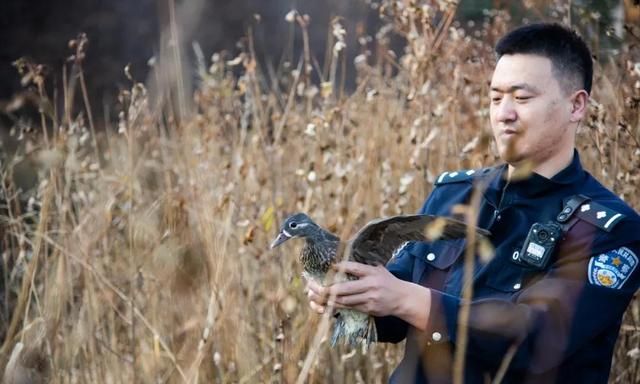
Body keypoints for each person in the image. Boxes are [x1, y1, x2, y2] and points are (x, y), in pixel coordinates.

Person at [306, 22, 640, 383]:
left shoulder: (608, 229)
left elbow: (536, 341)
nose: (503, 113)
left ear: (576, 105)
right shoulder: (454, 194)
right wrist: (349, 294)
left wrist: (407, 299)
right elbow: (393, 309)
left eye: (522, 98)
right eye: (496, 98)